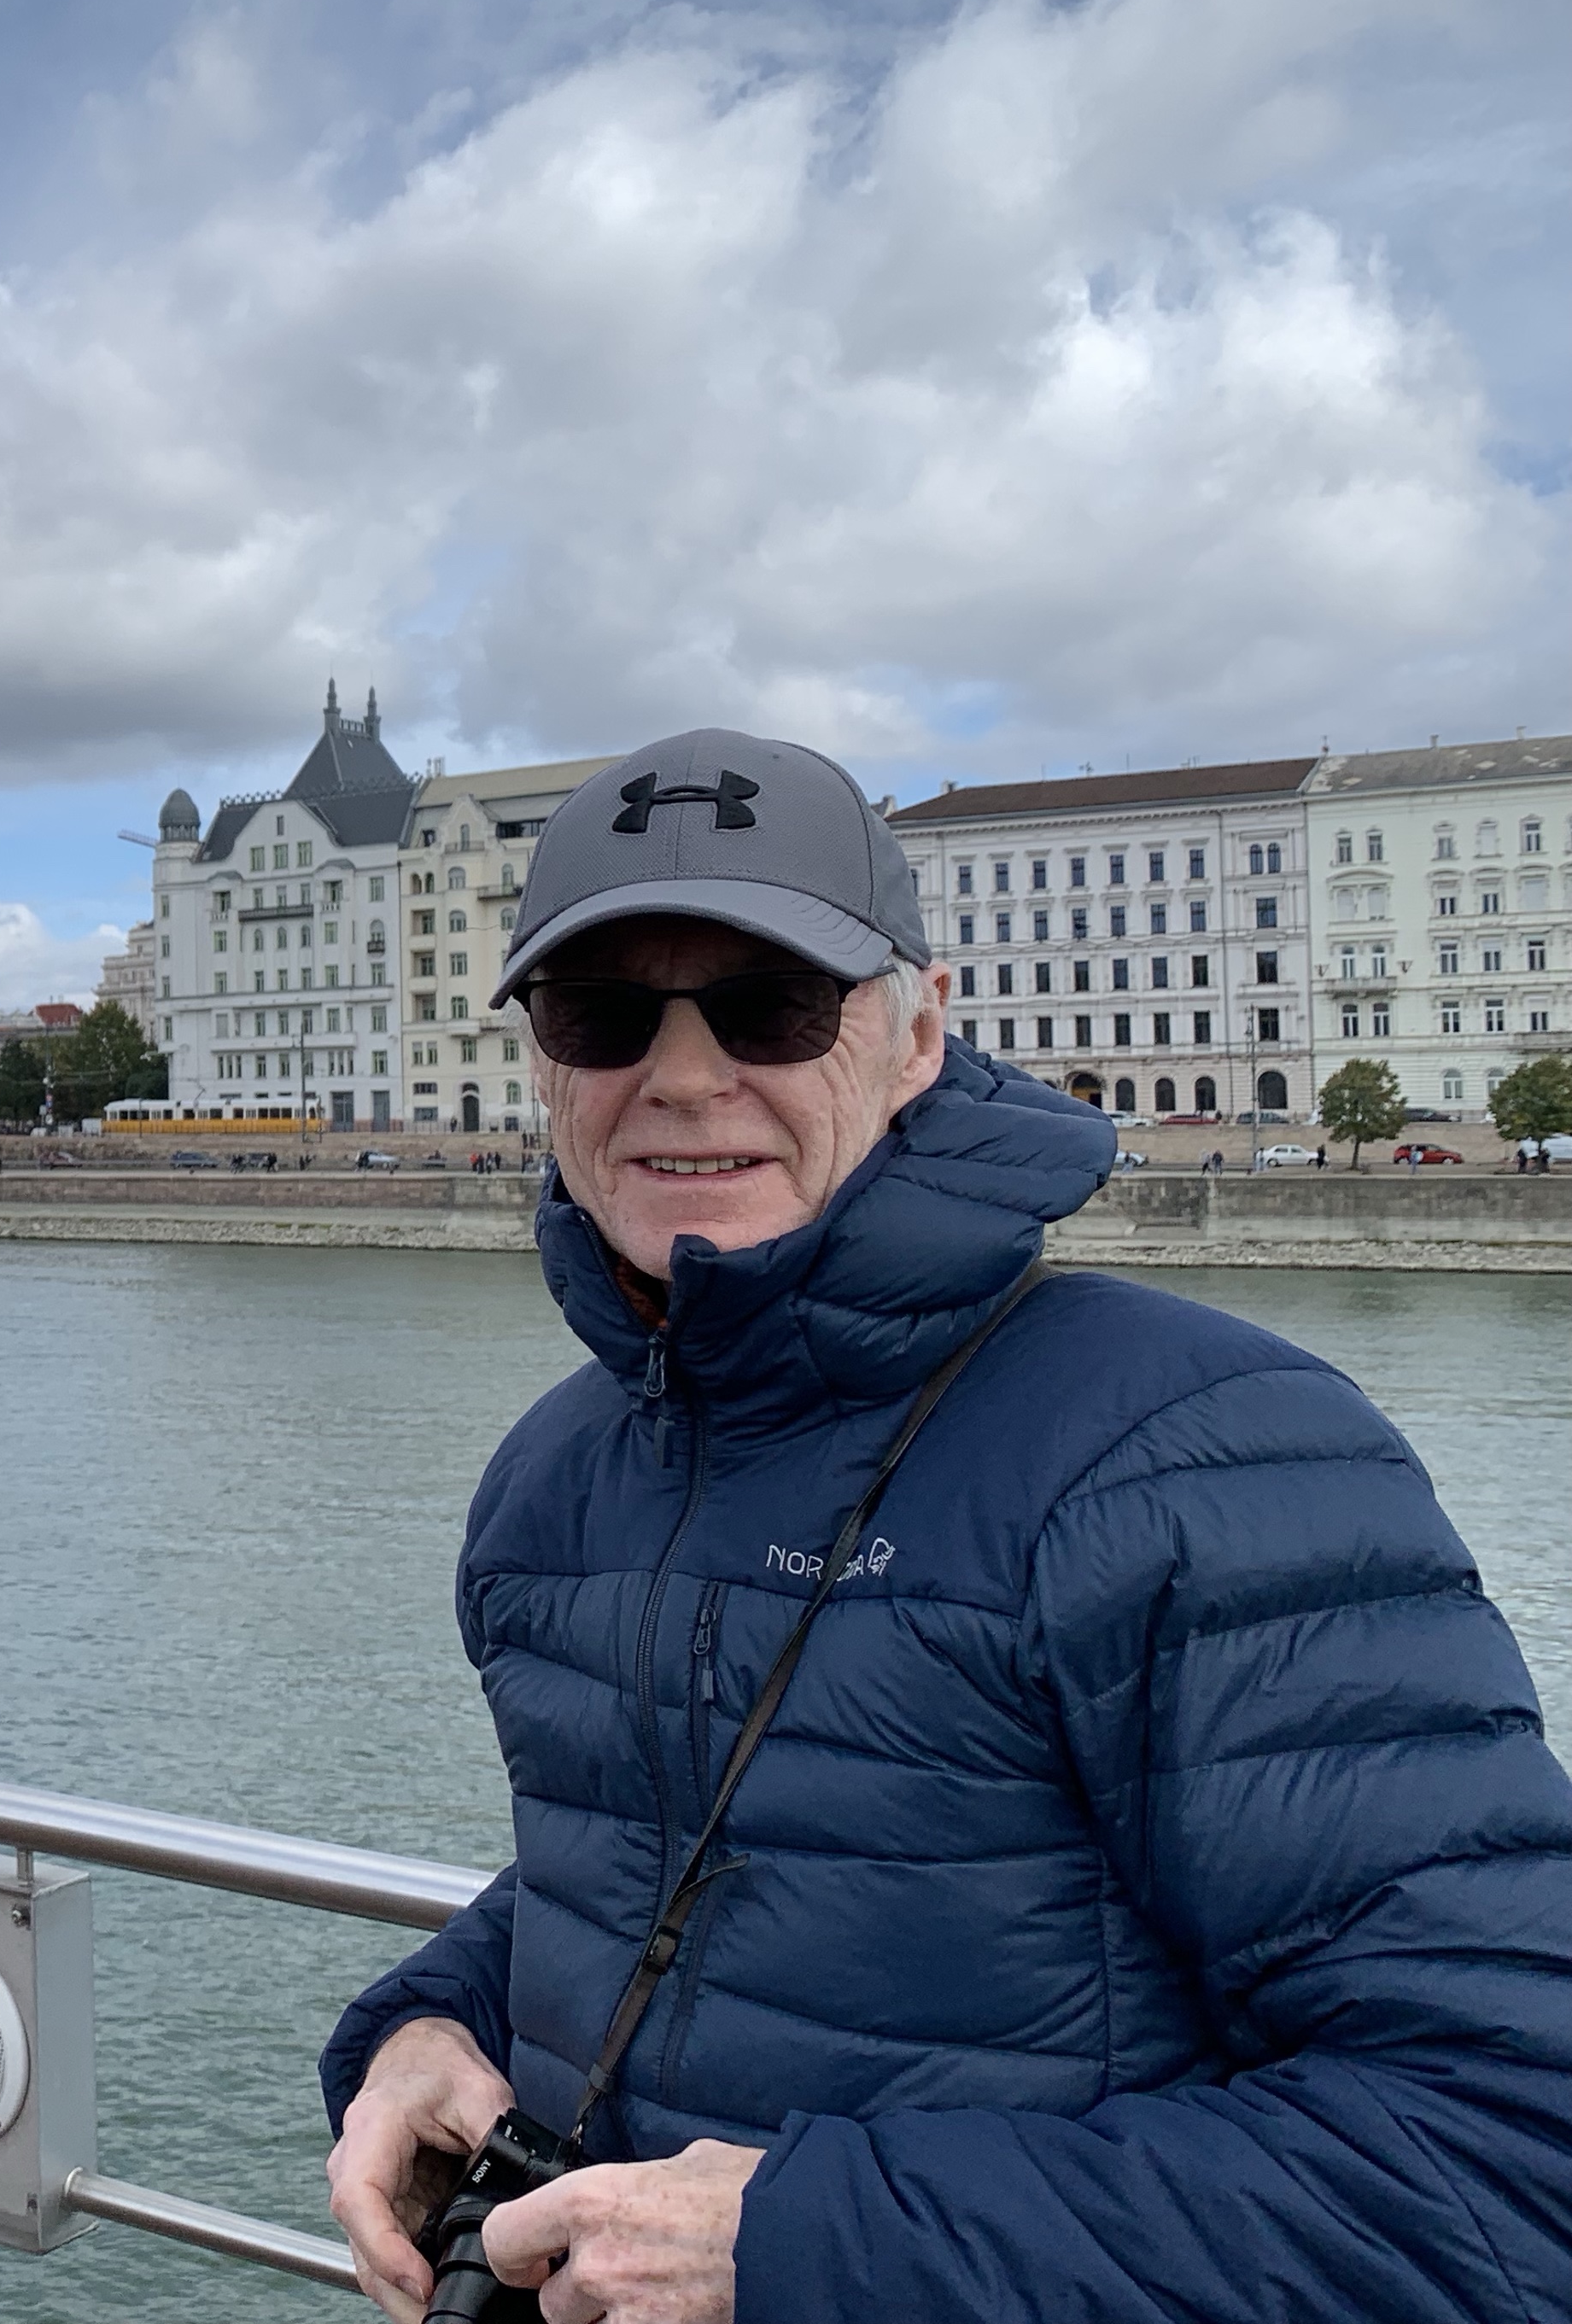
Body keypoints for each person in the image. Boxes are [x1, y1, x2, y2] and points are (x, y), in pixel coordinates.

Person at [320, 727, 1572, 2324]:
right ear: (545, 1062)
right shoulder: (559, 1476)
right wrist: (430, 2027)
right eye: (602, 1011)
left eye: (773, 1005)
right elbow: (717, 1858)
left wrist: (800, 2243)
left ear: (917, 1035)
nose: (684, 1075)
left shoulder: (1204, 1451)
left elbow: (1509, 2160)